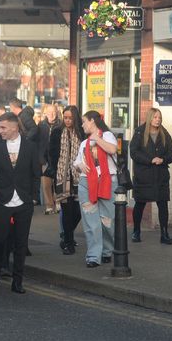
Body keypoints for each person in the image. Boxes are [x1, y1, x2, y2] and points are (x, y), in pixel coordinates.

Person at [0, 112, 41, 293]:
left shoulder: (30, 147)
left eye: (3, 127)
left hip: (24, 202)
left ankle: (18, 281)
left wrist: (33, 197)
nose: (0, 130)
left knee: (20, 243)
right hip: (2, 201)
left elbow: (35, 174)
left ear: (14, 127)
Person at [73, 111, 118, 269]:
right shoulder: (83, 143)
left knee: (107, 221)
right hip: (87, 183)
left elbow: (113, 150)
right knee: (91, 222)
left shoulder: (107, 136)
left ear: (92, 121)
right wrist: (79, 166)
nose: (82, 125)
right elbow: (77, 163)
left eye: (84, 121)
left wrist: (96, 138)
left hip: (107, 181)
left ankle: (107, 251)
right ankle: (93, 256)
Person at [129, 107, 172, 245]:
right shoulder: (139, 132)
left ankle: (164, 234)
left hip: (161, 176)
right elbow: (133, 152)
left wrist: (163, 159)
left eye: (160, 118)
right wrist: (150, 160)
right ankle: (136, 232)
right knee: (140, 204)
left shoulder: (164, 133)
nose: (158, 120)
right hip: (144, 176)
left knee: (163, 205)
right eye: (155, 117)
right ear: (150, 118)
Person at [47, 105, 83, 255]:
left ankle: (66, 235)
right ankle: (68, 242)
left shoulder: (81, 133)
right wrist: (55, 170)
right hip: (62, 176)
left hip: (79, 175)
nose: (67, 120)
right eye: (65, 117)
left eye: (70, 118)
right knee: (67, 211)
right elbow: (51, 153)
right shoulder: (56, 132)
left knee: (78, 211)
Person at [37, 102, 60, 214]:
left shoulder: (61, 125)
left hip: (58, 159)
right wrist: (40, 157)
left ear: (57, 113)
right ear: (45, 113)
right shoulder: (41, 126)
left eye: (53, 112)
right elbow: (37, 143)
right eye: (49, 112)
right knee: (46, 184)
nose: (51, 115)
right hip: (44, 159)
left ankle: (59, 203)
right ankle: (49, 206)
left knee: (58, 182)